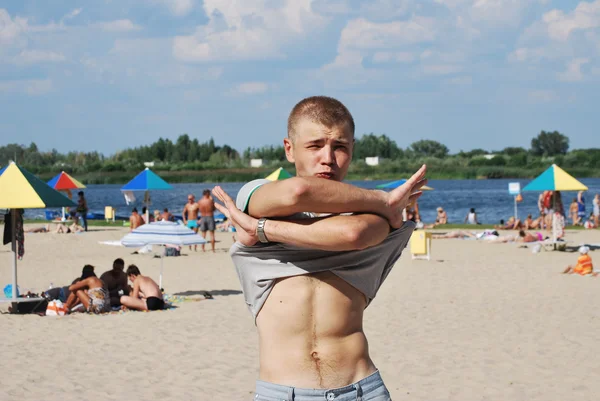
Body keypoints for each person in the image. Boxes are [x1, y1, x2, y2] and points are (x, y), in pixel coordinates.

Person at [211, 96, 427, 401]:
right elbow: (297, 192)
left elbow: (353, 235)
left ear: (353, 150)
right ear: (289, 148)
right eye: (315, 146)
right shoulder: (255, 195)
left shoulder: (368, 218)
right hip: (282, 393)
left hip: (361, 390)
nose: (328, 158)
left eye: (340, 146)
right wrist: (383, 199)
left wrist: (262, 230)